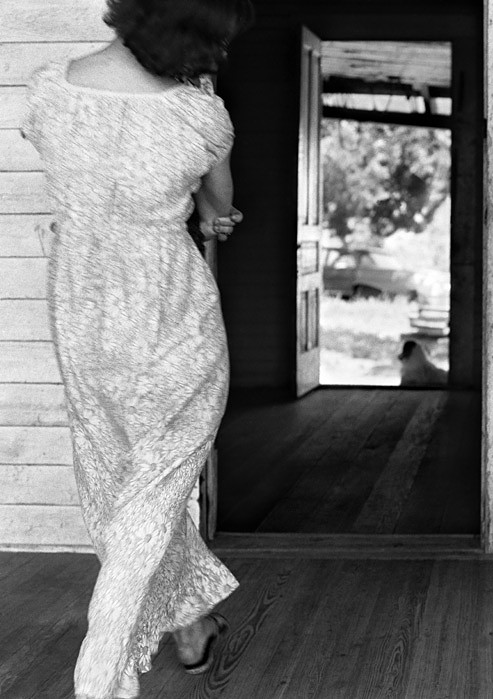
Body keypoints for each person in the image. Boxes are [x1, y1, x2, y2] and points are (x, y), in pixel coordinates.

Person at [20, 1, 254, 697]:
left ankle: (189, 624)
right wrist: (216, 209)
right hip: (170, 315)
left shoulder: (50, 89)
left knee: (119, 482)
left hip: (83, 313)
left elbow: (85, 180)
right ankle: (100, 675)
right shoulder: (197, 115)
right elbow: (218, 210)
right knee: (151, 493)